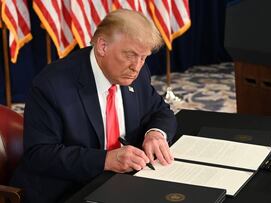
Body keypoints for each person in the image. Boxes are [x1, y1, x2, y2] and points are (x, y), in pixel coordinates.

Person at [10, 9, 177, 203]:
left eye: (144, 57)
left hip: (120, 184)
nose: (137, 66)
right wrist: (105, 160)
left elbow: (160, 111)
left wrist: (155, 133)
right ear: (103, 46)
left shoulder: (136, 74)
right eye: (130, 55)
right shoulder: (52, 85)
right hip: (66, 191)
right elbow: (40, 155)